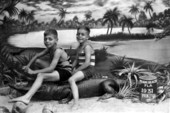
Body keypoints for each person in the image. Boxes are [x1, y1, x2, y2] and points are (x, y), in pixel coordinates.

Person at [9, 29, 72, 104]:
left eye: (50, 39)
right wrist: (28, 66)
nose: (47, 41)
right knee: (37, 61)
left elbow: (51, 69)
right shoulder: (49, 49)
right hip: (58, 69)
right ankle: (38, 82)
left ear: (56, 40)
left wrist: (33, 72)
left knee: (41, 75)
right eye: (45, 39)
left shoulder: (58, 51)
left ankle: (26, 98)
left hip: (65, 72)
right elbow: (36, 56)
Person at [68, 26, 96, 109]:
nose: (80, 36)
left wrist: (76, 70)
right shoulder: (79, 46)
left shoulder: (87, 46)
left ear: (87, 37)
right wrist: (70, 68)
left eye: (83, 34)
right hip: (82, 68)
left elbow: (87, 63)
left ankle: (76, 103)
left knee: (71, 79)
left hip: (89, 68)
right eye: (78, 34)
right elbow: (76, 60)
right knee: (67, 75)